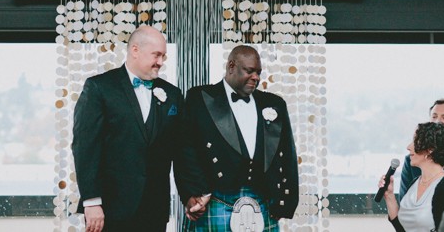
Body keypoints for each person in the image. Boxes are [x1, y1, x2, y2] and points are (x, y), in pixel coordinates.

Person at [72, 25, 184, 232]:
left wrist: (191, 193)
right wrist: (92, 202)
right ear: (135, 50)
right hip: (110, 209)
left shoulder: (172, 94)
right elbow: (85, 147)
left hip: (154, 210)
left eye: (164, 56)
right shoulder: (99, 87)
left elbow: (180, 149)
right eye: (156, 55)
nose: (161, 62)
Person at [176, 45, 299, 231]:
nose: (256, 77)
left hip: (263, 202)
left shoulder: (274, 104)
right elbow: (185, 151)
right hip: (216, 200)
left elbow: (287, 154)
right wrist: (192, 193)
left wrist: (285, 202)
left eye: (258, 72)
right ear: (231, 66)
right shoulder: (200, 98)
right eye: (249, 71)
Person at [379, 122, 444, 232]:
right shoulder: (415, 183)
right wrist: (389, 196)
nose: (408, 147)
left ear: (430, 149)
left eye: (414, 141)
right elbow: (403, 228)